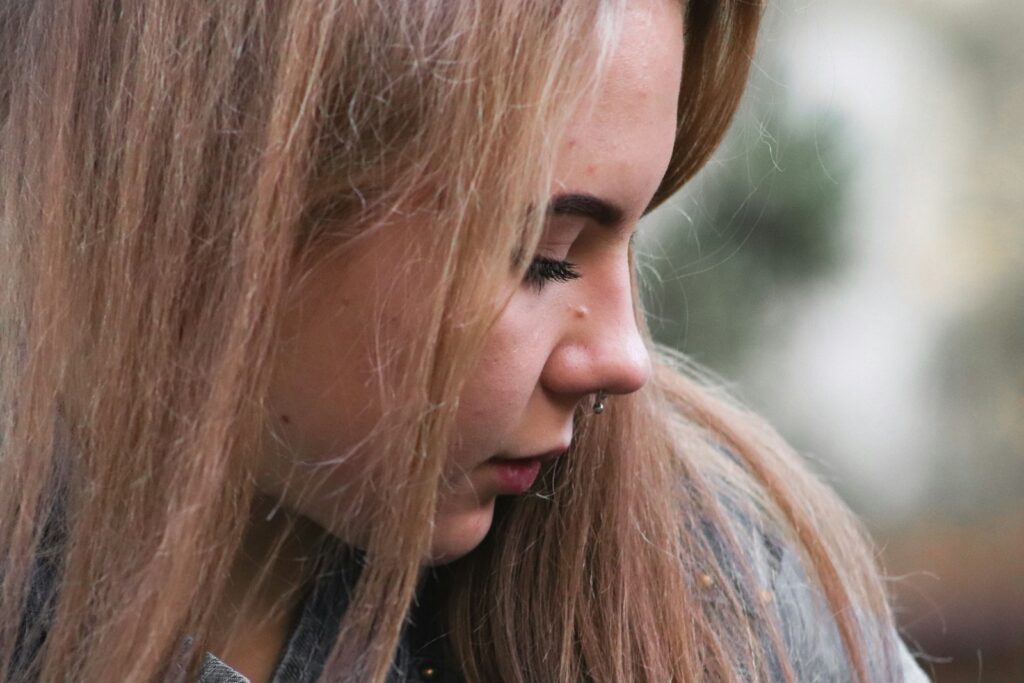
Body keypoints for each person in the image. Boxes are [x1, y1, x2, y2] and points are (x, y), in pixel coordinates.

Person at [0, 0, 930, 681]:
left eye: (631, 239)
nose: (623, 357)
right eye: (543, 255)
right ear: (222, 194)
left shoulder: (729, 612)